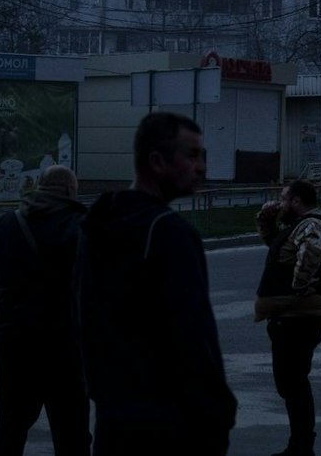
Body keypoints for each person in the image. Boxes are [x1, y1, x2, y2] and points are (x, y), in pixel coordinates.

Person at [78, 112, 237, 455]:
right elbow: (194, 337)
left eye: (203, 156)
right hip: (170, 424)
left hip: (113, 418)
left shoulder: (98, 225)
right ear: (157, 161)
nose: (202, 167)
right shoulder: (171, 233)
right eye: (192, 155)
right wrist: (216, 415)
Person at [0, 165, 90, 456]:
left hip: (13, 343)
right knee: (71, 430)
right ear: (70, 191)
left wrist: (13, 303)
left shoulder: (7, 224)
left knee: (11, 424)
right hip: (63, 347)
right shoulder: (81, 227)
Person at [255, 178, 321, 456]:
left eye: (284, 198)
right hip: (290, 316)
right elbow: (282, 251)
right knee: (290, 382)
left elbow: (312, 251)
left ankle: (301, 446)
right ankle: (300, 443)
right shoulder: (298, 226)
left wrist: (301, 285)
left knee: (293, 382)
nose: (281, 202)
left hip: (299, 317)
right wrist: (266, 222)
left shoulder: (312, 225)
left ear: (297, 201)